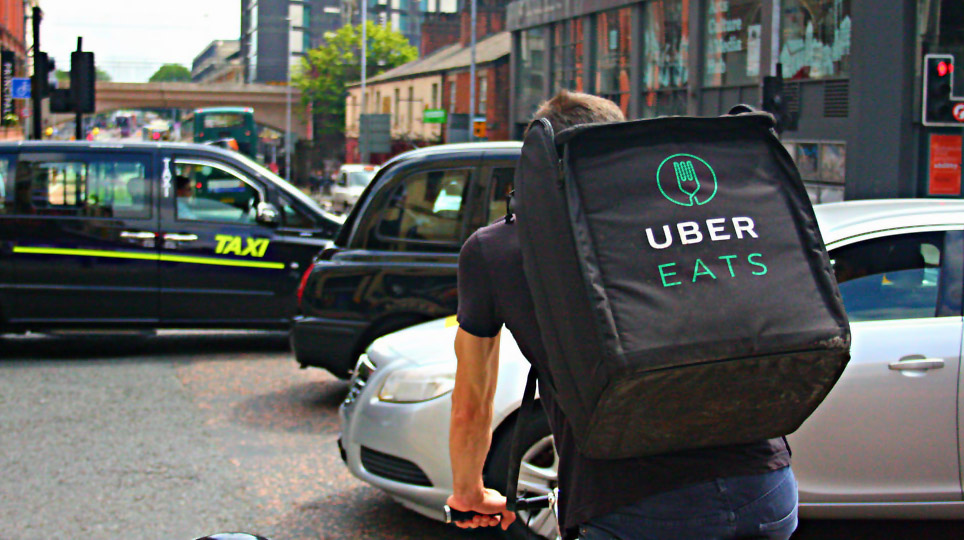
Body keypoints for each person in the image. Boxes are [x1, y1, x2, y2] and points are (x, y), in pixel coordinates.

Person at [447, 90, 797, 540]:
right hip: (764, 485)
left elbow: (472, 403)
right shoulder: (684, 216)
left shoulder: (496, 250)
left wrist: (469, 492)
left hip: (630, 503)